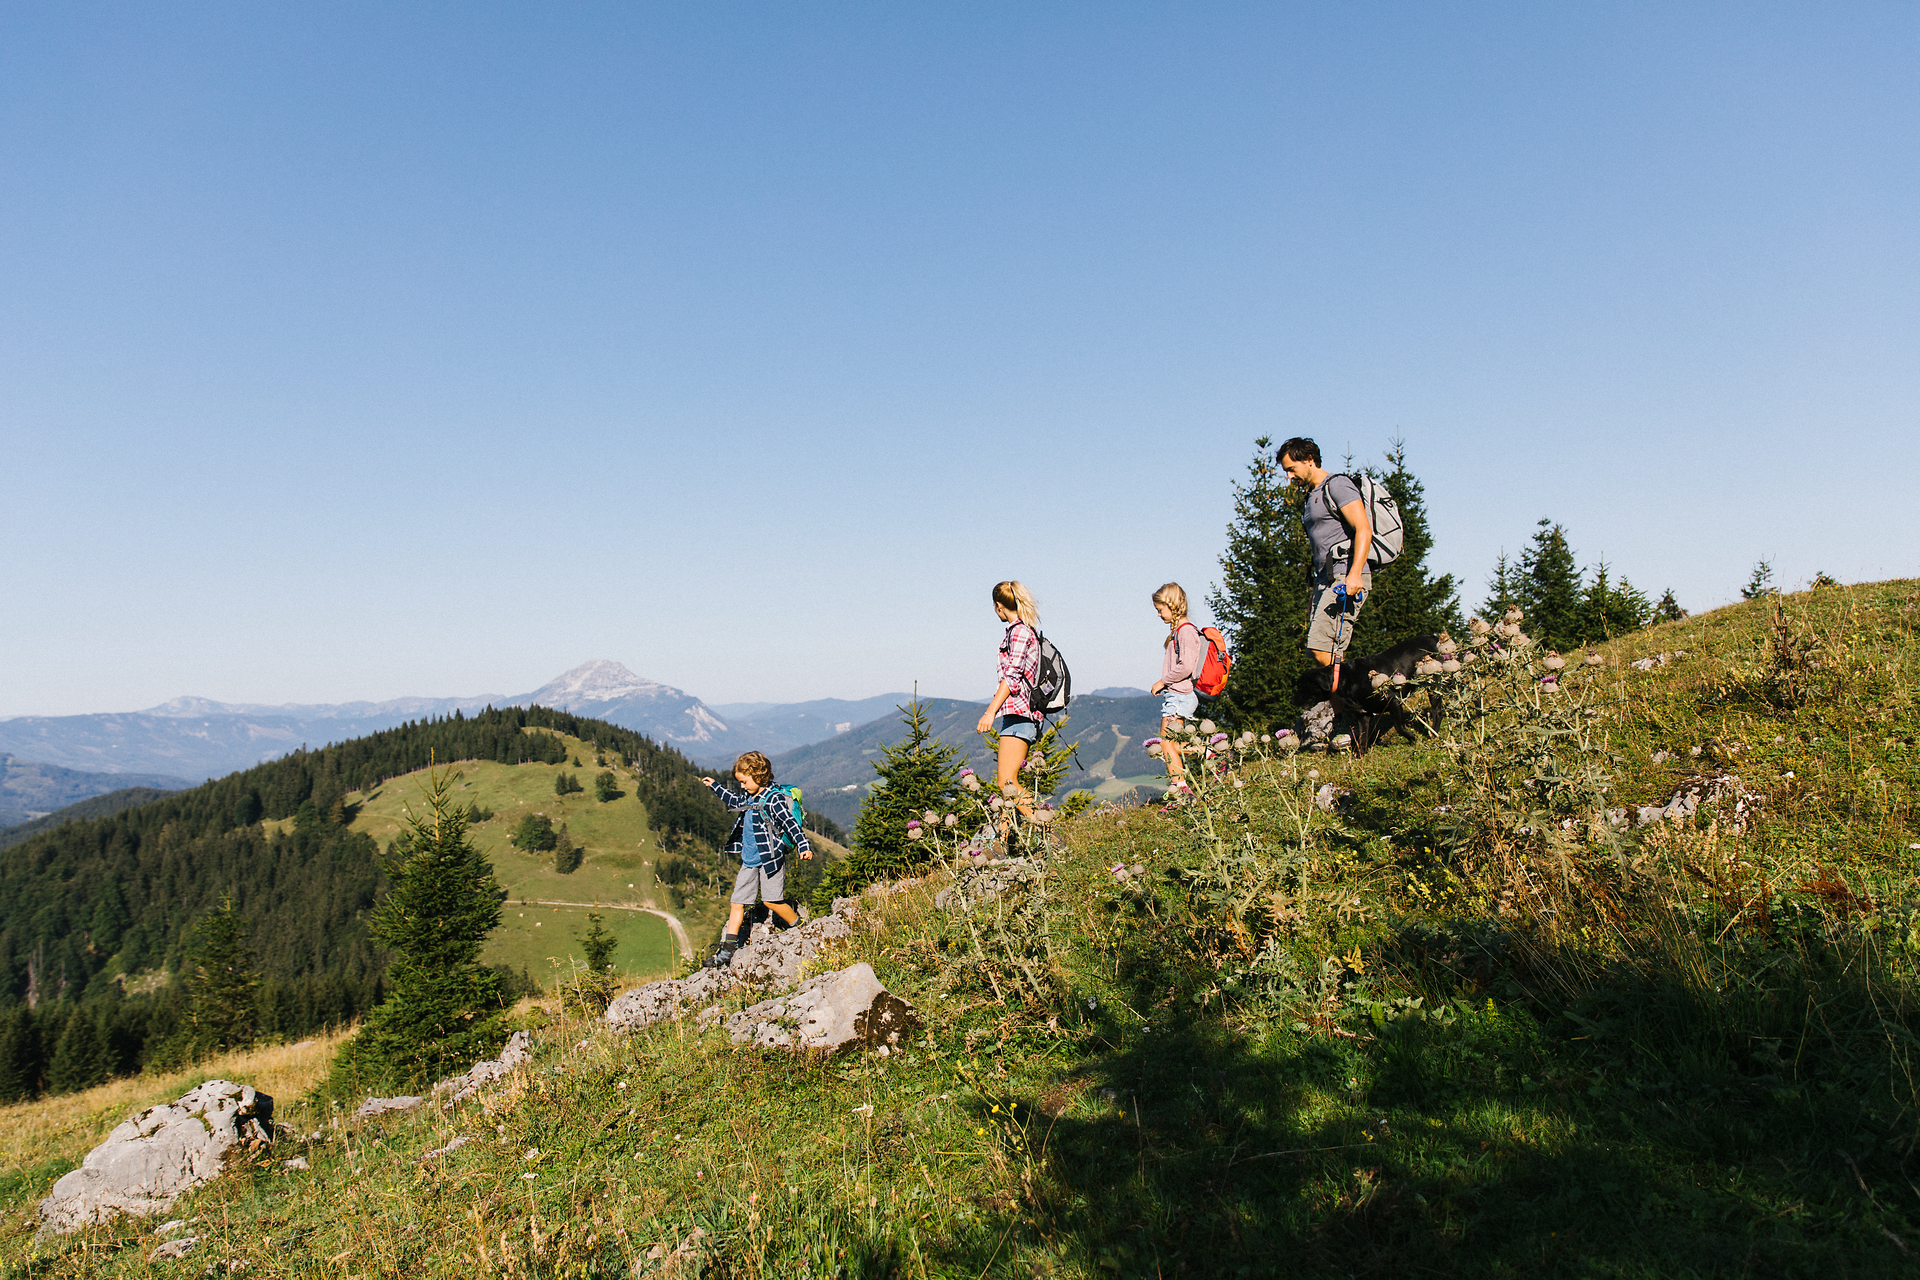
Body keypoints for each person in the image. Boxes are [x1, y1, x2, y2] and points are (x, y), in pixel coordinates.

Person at [698, 750, 811, 968]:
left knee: (772, 901)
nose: (742, 786)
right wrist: (715, 786)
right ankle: (727, 950)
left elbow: (790, 824)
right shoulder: (750, 796)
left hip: (771, 859)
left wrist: (803, 845)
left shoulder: (773, 799)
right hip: (749, 859)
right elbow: (733, 801)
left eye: (744, 781)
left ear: (758, 776)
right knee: (737, 903)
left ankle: (800, 927)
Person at [1277, 437, 1374, 668]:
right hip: (1325, 580)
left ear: (1309, 459)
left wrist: (1355, 574)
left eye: (1292, 469)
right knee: (1320, 656)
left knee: (1322, 650)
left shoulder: (1337, 485)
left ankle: (1354, 692)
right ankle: (1341, 693)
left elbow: (1363, 528)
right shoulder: (1312, 495)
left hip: (1345, 577)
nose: (1289, 476)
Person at [975, 580, 1042, 851]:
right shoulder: (1022, 631)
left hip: (1020, 714)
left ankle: (1046, 831)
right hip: (1018, 714)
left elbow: (1012, 677)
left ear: (999, 606)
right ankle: (1000, 844)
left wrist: (990, 712)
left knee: (1008, 782)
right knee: (1006, 782)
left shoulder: (1019, 632)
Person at [1146, 582, 1202, 791]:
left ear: (1172, 605)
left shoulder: (1186, 632)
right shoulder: (1180, 632)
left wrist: (1163, 681)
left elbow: (1186, 666)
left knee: (1166, 743)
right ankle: (1209, 755)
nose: (1159, 614)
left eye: (1160, 610)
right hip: (1176, 695)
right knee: (1171, 744)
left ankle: (1181, 789)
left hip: (1179, 696)